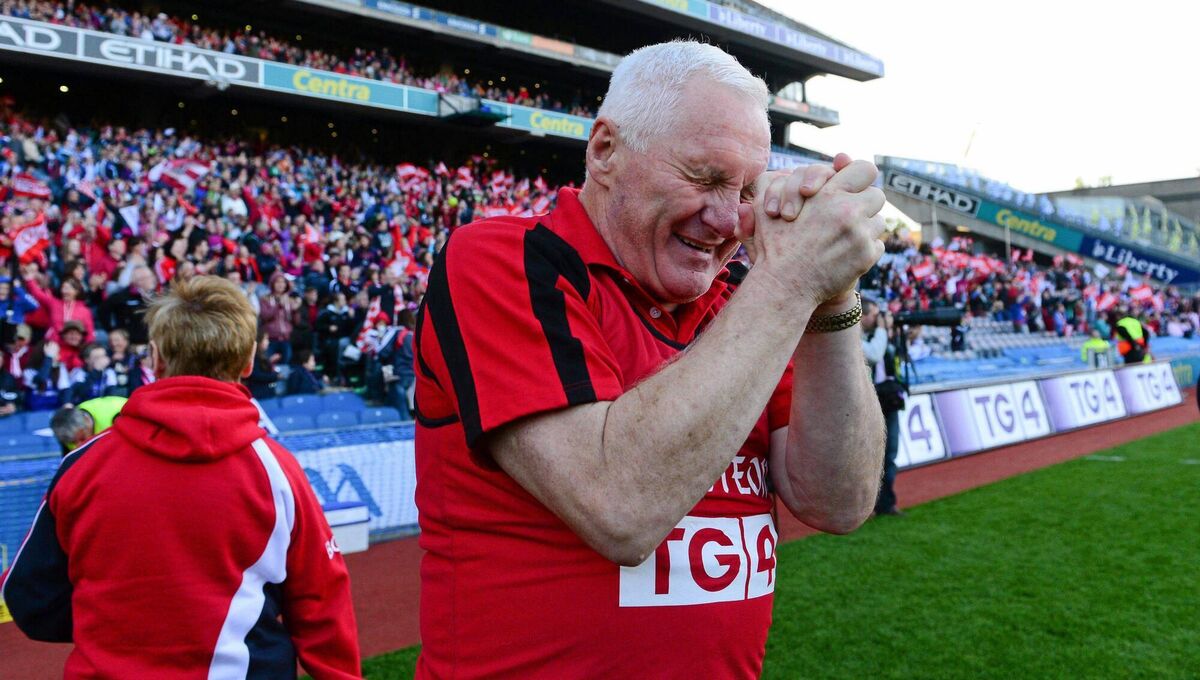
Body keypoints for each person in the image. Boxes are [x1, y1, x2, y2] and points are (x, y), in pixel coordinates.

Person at [412, 41, 885, 678]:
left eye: (746, 190)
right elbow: (621, 509)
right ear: (605, 150)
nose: (726, 219)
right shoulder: (500, 261)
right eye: (704, 177)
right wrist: (791, 277)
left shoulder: (738, 308)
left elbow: (840, 501)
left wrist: (834, 295)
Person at [1, 276, 360, 678]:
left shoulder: (84, 465)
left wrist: (119, 624)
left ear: (154, 358)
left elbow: (30, 599)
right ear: (249, 361)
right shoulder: (277, 470)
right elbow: (322, 604)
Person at [862, 299, 904, 516]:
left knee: (890, 453)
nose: (877, 319)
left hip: (889, 400)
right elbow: (873, 354)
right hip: (868, 402)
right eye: (874, 315)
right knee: (868, 457)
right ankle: (865, 506)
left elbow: (894, 356)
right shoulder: (855, 337)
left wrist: (886, 330)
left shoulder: (881, 336)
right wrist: (881, 329)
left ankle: (886, 503)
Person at [49, 396, 127, 454]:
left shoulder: (117, 418)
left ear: (87, 421)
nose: (79, 446)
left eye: (82, 438)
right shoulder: (66, 430)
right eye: (73, 442)